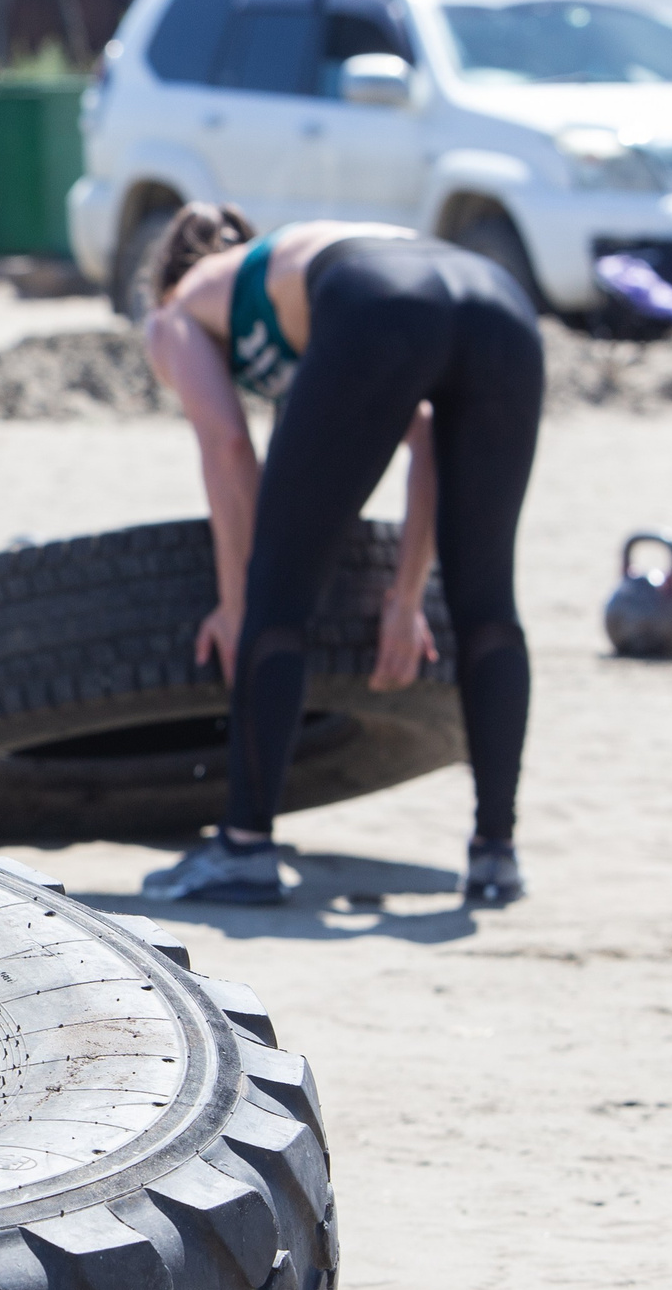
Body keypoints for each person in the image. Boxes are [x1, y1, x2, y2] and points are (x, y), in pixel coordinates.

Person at [135, 205, 544, 906]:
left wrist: (238, 606)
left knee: (278, 594)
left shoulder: (175, 309)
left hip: (377, 300)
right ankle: (495, 854)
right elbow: (423, 440)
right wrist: (405, 595)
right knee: (486, 600)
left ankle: (243, 849)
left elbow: (229, 448)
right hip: (498, 300)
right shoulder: (290, 267)